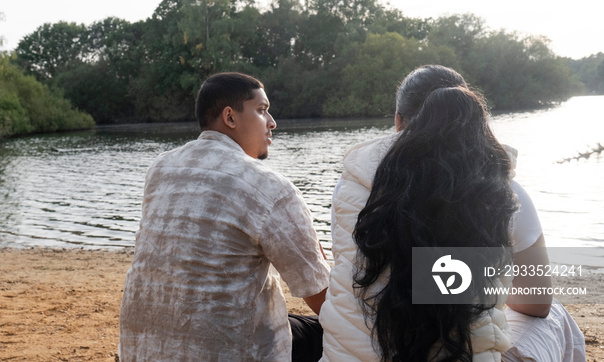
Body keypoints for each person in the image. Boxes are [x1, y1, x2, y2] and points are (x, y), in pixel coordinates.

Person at [318, 65, 585, 361]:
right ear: (474, 121)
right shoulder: (504, 191)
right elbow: (537, 302)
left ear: (398, 122)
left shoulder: (350, 183)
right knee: (555, 316)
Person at [119, 72, 330, 361]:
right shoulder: (267, 186)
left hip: (140, 350)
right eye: (262, 110)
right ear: (230, 117)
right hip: (226, 352)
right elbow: (321, 295)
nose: (272, 122)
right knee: (332, 331)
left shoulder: (160, 169)